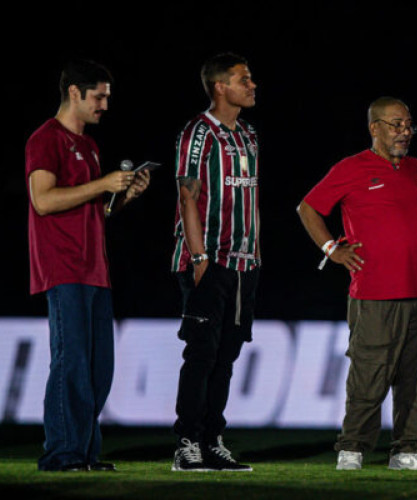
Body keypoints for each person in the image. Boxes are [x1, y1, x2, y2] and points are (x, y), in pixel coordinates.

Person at [297, 97, 417, 471]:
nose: (404, 132)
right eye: (395, 125)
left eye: (408, 125)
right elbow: (308, 208)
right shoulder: (353, 167)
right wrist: (332, 249)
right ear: (374, 128)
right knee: (369, 372)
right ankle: (353, 448)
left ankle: (408, 449)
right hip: (376, 293)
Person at [26, 59, 150, 472]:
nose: (104, 106)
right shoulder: (45, 139)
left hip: (94, 268)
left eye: (107, 97)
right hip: (63, 268)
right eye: (99, 96)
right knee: (72, 361)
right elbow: (43, 200)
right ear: (74, 93)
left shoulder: (90, 146)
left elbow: (89, 208)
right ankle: (61, 454)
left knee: (99, 370)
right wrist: (103, 184)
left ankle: (85, 453)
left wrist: (121, 196)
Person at [170, 53, 260, 472]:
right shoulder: (199, 132)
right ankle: (187, 443)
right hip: (209, 260)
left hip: (245, 264)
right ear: (220, 86)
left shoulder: (248, 135)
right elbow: (187, 195)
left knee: (227, 355)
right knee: (201, 353)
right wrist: (198, 253)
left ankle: (211, 440)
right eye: (244, 79)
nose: (252, 84)